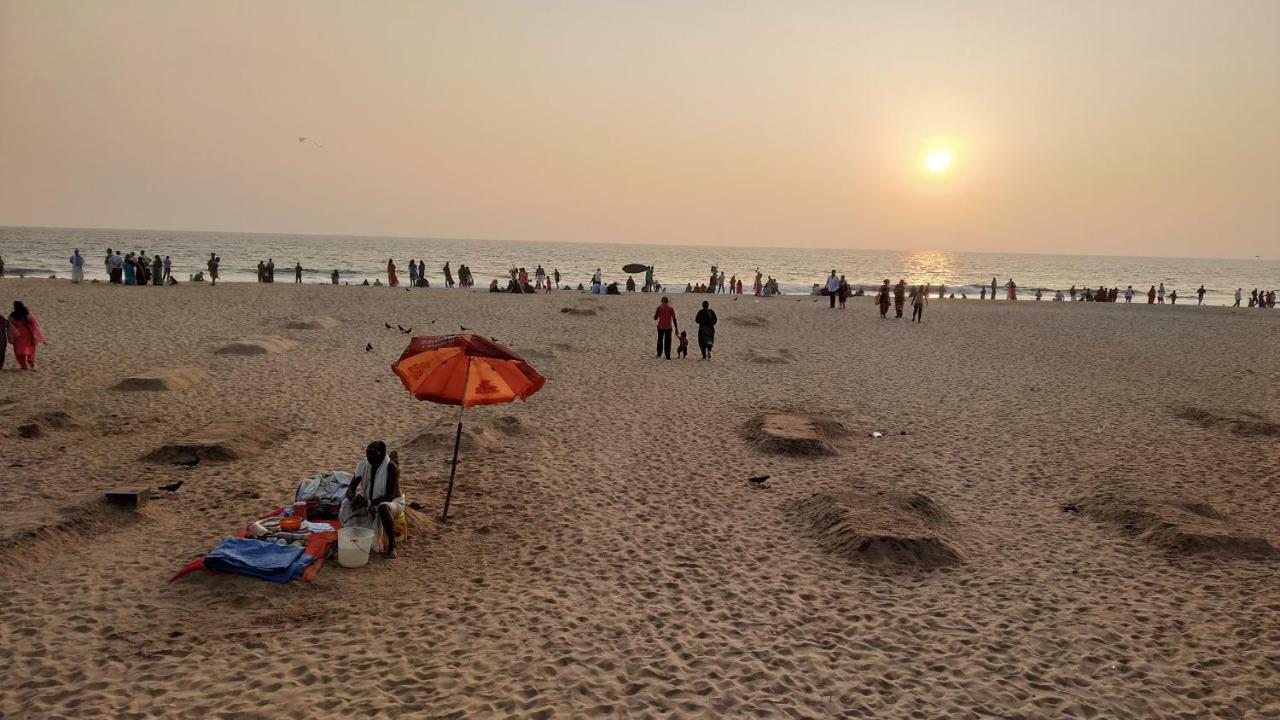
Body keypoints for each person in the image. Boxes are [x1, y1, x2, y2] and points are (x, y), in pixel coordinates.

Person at [339, 441, 404, 559]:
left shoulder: (390, 467)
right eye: (367, 453)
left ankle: (392, 546)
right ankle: (351, 535)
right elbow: (350, 489)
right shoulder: (363, 465)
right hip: (371, 502)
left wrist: (369, 502)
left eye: (373, 453)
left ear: (382, 454)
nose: (368, 456)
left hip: (393, 503)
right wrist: (354, 499)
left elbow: (389, 496)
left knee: (383, 507)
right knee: (346, 503)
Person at [7, 301, 46, 371]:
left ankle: (23, 365)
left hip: (18, 336)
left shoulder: (12, 316)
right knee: (30, 350)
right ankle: (31, 363)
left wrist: (10, 338)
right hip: (28, 335)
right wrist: (38, 336)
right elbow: (35, 325)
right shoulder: (28, 314)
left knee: (19, 352)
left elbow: (10, 327)